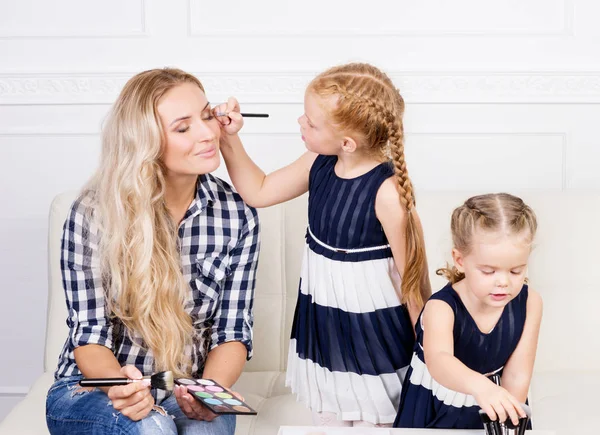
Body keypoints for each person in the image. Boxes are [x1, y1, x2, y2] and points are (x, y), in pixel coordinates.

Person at [45, 68, 260, 435]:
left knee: (201, 430)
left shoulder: (238, 213)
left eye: (207, 116)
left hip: (183, 384)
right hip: (92, 390)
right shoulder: (93, 215)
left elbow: (232, 331)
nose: (209, 133)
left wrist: (208, 393)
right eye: (183, 127)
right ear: (145, 142)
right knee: (153, 427)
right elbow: (89, 336)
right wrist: (123, 388)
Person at [216, 62, 431, 427]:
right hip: (327, 322)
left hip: (373, 333)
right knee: (330, 415)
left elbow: (414, 282)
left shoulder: (387, 192)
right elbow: (259, 190)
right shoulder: (318, 161)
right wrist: (227, 137)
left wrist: (430, 356)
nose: (301, 122)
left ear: (347, 143)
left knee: (375, 417)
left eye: (311, 122)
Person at [394, 193, 543, 429]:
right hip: (437, 404)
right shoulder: (442, 307)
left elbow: (517, 376)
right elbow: (439, 361)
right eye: (488, 271)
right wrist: (481, 387)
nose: (503, 282)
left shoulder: (530, 302)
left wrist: (508, 421)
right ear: (460, 260)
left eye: (516, 271)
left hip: (494, 404)